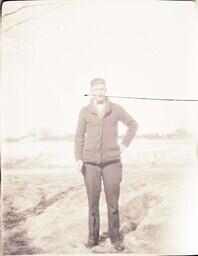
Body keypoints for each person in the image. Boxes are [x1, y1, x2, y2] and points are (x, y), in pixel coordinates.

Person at [74, 78, 139, 251]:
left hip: (112, 163)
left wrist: (124, 145)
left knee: (112, 203)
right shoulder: (85, 111)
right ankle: (92, 238)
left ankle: (115, 239)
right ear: (91, 91)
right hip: (90, 164)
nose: (99, 92)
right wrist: (78, 158)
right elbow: (79, 136)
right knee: (92, 204)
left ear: (106, 90)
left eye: (102, 89)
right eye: (96, 89)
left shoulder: (116, 109)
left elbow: (133, 125)